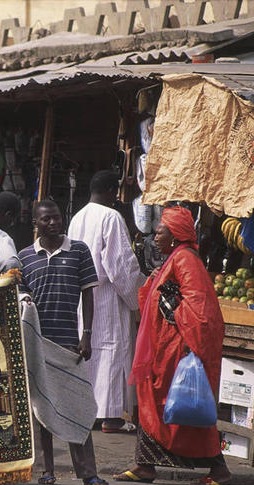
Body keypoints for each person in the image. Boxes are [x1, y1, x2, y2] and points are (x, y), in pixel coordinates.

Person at [113, 206, 232, 485]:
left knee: (178, 407)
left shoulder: (186, 260)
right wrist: (157, 282)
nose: (155, 237)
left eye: (160, 232)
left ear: (175, 235)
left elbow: (201, 312)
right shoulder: (175, 259)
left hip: (177, 349)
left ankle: (219, 469)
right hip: (164, 346)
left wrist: (169, 303)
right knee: (153, 403)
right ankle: (145, 464)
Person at [18, 199, 110, 485]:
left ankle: (88, 473)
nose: (53, 223)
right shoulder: (24, 257)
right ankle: (47, 471)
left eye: (57, 217)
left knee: (76, 406)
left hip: (69, 344)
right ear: (36, 223)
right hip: (36, 345)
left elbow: (88, 295)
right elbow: (21, 300)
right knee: (42, 410)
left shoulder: (79, 250)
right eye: (46, 219)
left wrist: (87, 334)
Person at [67, 170, 145, 433]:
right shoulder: (111, 217)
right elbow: (120, 264)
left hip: (85, 297)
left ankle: (90, 411)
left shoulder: (77, 218)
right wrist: (139, 296)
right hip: (108, 296)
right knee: (112, 351)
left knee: (91, 354)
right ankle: (112, 417)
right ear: (112, 191)